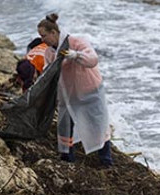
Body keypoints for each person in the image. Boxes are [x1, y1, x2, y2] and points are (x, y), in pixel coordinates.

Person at [37, 13, 112, 167]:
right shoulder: (49, 52)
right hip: (67, 95)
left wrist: (76, 55)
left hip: (90, 91)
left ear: (53, 33)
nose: (42, 40)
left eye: (44, 35)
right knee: (65, 125)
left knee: (98, 124)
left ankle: (106, 161)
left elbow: (93, 59)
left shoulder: (76, 42)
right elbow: (47, 71)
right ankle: (67, 158)